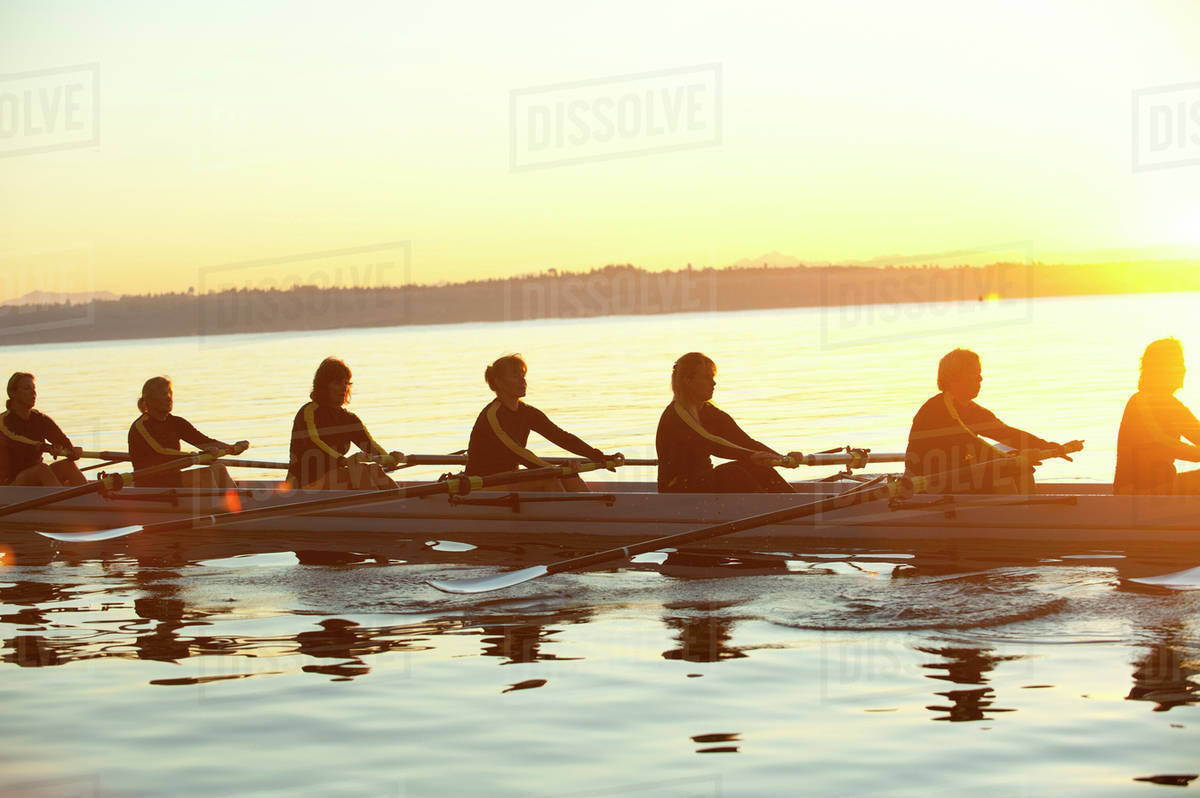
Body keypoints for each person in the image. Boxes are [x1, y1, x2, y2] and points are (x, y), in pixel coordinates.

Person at [905, 348, 1080, 493]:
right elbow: (972, 444)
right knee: (1009, 473)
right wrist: (1015, 460)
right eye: (974, 373)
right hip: (924, 483)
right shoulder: (938, 410)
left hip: (953, 475)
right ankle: (1023, 521)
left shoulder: (970, 409)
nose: (980, 379)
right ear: (953, 379)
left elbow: (1006, 433)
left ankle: (1029, 516)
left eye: (980, 374)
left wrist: (1047, 446)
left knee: (1019, 470)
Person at [465, 354, 621, 491]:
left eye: (523, 375)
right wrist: (553, 469)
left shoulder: (528, 412)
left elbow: (561, 437)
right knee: (548, 478)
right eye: (515, 376)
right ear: (498, 382)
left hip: (508, 478)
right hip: (483, 483)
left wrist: (597, 456)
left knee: (569, 475)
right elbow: (518, 452)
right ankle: (571, 521)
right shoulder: (493, 416)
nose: (522, 381)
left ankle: (589, 518)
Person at [656, 352, 801, 493]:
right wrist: (751, 456)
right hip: (677, 488)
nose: (713, 383)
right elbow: (711, 441)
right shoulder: (677, 415)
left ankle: (792, 503)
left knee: (758, 468)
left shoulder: (710, 412)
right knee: (734, 473)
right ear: (688, 381)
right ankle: (775, 510)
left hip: (701, 484)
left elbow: (746, 442)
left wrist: (783, 459)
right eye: (707, 378)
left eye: (712, 377)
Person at [287, 358, 402, 490]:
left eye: (346, 383)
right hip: (302, 483)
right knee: (360, 471)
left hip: (334, 478)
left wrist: (389, 459)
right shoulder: (308, 412)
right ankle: (387, 508)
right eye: (337, 383)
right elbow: (314, 442)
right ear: (324, 386)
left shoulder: (349, 419)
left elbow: (369, 445)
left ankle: (403, 506)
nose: (344, 388)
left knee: (374, 470)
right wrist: (342, 460)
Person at [1113, 338, 1200, 494]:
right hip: (1132, 494)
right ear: (1160, 368)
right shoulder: (1140, 401)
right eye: (1178, 363)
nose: (1184, 369)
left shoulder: (1172, 405)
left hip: (1161, 488)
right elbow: (1162, 443)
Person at [129, 376, 248, 489]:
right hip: (150, 483)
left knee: (219, 468)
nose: (169, 398)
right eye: (164, 394)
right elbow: (161, 453)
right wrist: (197, 456)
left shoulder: (176, 422)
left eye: (170, 393)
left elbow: (204, 442)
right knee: (205, 475)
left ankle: (238, 505)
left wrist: (232, 448)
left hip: (172, 478)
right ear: (151, 400)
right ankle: (219, 508)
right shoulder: (142, 426)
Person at [0, 372, 86, 486]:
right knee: (42, 470)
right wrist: (46, 447)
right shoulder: (4, 422)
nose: (33, 393)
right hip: (8, 484)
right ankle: (64, 502)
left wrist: (71, 450)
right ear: (12, 393)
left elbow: (61, 440)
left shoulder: (40, 419)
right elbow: (20, 440)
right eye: (27, 388)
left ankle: (95, 501)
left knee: (68, 465)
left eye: (34, 389)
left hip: (35, 477)